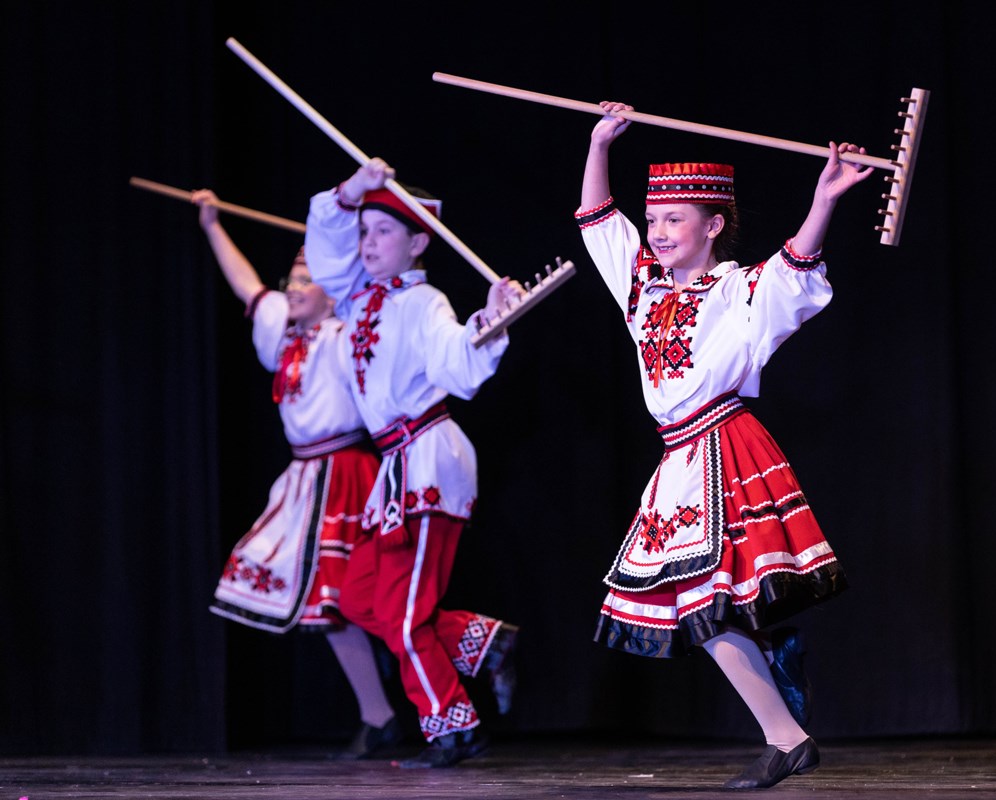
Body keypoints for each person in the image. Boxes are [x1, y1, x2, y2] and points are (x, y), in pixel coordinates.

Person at [574, 103, 872, 790]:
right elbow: (598, 224)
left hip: (722, 443)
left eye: (674, 219)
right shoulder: (642, 289)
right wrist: (598, 144)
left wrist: (822, 200)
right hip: (679, 458)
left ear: (713, 226)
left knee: (709, 601)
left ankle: (786, 733)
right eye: (653, 220)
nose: (658, 231)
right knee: (699, 607)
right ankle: (785, 731)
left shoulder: (736, 290)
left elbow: (796, 268)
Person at [303, 161, 522, 768]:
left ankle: (453, 727)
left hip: (427, 460)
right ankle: (480, 641)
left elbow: (458, 361)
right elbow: (324, 250)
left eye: (382, 232)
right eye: (364, 231)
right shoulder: (357, 295)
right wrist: (348, 191)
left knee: (402, 616)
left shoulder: (425, 302)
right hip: (395, 469)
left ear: (419, 242)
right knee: (356, 598)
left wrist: (488, 320)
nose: (367, 243)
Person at [194, 190, 402, 759]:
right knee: (330, 605)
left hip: (348, 473)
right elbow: (247, 286)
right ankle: (381, 713)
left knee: (352, 600)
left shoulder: (344, 336)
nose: (291, 285)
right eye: (291, 275)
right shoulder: (282, 335)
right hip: (306, 477)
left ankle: (419, 686)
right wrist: (213, 224)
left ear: (333, 289)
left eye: (305, 277)